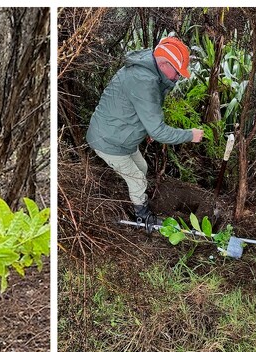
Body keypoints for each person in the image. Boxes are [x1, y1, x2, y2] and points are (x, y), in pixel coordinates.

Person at [86, 36, 204, 226]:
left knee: (142, 168)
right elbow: (159, 131)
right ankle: (142, 216)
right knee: (138, 179)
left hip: (121, 134)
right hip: (108, 140)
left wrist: (148, 129)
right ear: (164, 64)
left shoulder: (148, 71)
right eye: (177, 72)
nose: (177, 77)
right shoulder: (144, 81)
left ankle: (135, 197)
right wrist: (190, 135)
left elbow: (141, 110)